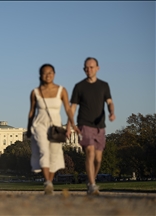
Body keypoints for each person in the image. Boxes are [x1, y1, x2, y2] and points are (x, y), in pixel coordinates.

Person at [27, 63, 79, 195]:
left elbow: (68, 109)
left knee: (54, 155)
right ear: (40, 75)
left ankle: (49, 181)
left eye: (50, 73)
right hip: (40, 124)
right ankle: (47, 182)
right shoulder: (35, 92)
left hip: (55, 125)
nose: (48, 75)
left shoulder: (62, 90)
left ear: (54, 74)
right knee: (44, 152)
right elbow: (32, 112)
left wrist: (72, 124)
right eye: (45, 73)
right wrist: (28, 128)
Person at [68, 57, 115, 195]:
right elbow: (73, 107)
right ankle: (93, 185)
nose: (89, 70)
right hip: (84, 123)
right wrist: (70, 125)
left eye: (91, 67)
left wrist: (112, 112)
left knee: (98, 159)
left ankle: (91, 180)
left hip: (99, 125)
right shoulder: (79, 86)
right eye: (86, 68)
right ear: (84, 69)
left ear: (97, 68)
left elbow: (109, 102)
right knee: (89, 151)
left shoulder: (104, 86)